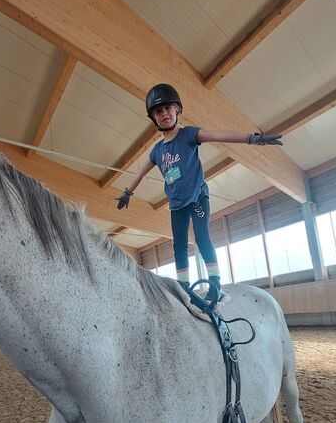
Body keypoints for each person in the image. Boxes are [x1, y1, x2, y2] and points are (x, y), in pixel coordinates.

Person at [116, 83, 282, 303]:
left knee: (202, 237)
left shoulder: (188, 135)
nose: (164, 113)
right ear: (153, 118)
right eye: (158, 111)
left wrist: (250, 138)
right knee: (179, 244)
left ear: (177, 110)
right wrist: (128, 192)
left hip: (197, 197)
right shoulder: (157, 151)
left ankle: (215, 282)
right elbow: (142, 172)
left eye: (168, 108)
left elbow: (216, 135)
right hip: (176, 203)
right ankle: (183, 285)